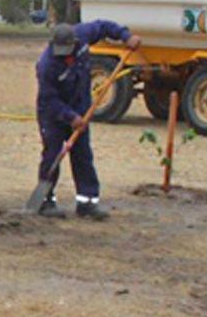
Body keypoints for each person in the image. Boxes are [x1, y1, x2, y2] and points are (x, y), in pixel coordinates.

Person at [33, 21, 141, 220]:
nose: (65, 55)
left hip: (81, 109)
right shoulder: (47, 66)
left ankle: (87, 203)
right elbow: (49, 100)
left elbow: (104, 26)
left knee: (83, 156)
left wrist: (126, 36)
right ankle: (43, 201)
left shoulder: (82, 35)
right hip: (54, 116)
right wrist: (70, 117)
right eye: (61, 52)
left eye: (67, 50)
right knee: (52, 157)